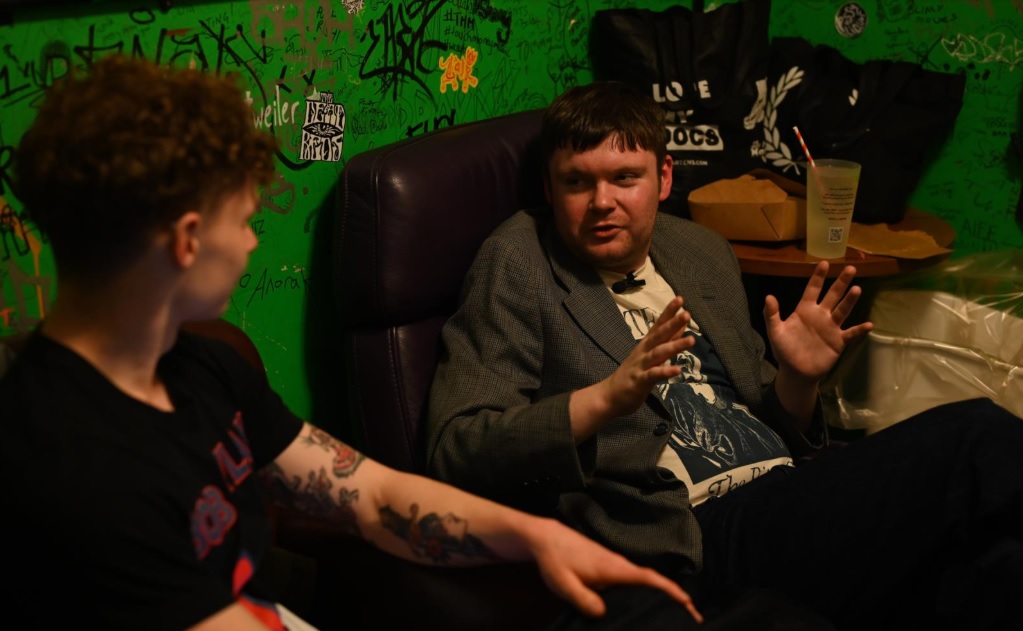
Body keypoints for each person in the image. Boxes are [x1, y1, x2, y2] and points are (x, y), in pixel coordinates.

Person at [0, 57, 707, 631]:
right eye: (243, 221)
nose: (251, 244)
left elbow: (369, 495)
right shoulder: (68, 461)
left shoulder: (197, 364)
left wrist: (538, 538)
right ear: (187, 241)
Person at [425, 80, 1023, 629]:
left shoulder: (700, 250)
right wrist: (603, 400)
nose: (601, 201)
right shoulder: (518, 262)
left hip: (783, 495)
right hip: (691, 534)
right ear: (549, 188)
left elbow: (771, 419)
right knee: (976, 438)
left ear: (663, 178)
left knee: (994, 565)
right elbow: (456, 448)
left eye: (624, 178)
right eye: (577, 182)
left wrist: (798, 378)